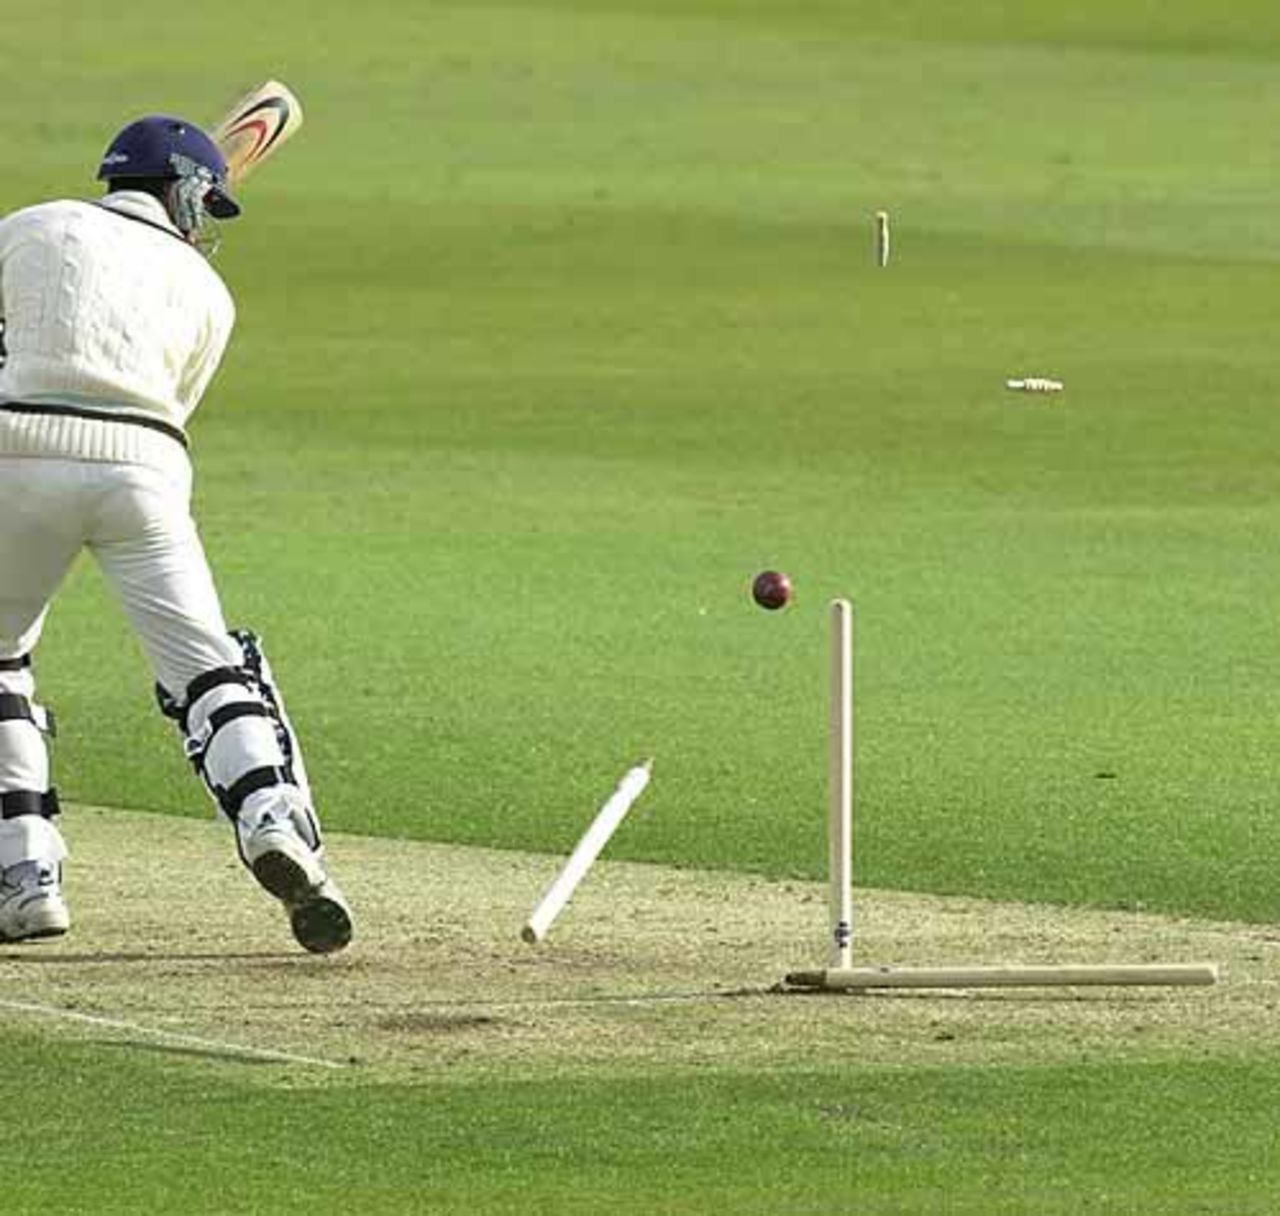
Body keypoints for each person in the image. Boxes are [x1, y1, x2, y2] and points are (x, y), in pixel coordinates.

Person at [0, 115, 352, 953]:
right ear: (185, 191)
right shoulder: (207, 293)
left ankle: (27, 871)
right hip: (146, 470)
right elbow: (170, 408)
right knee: (206, 667)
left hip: (16, 450)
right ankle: (273, 816)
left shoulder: (29, 226)